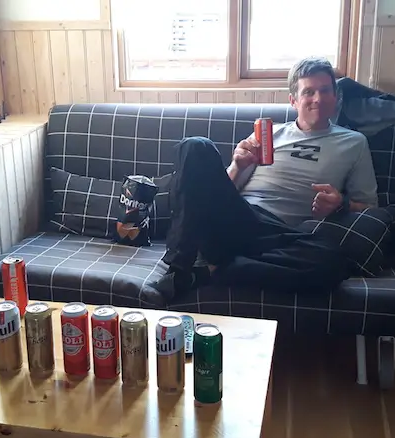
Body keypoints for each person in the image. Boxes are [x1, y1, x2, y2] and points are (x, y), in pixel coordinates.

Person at [150, 56, 379, 299]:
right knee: (195, 146)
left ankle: (210, 272)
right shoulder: (270, 133)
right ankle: (179, 266)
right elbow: (221, 192)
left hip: (281, 235)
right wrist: (238, 166)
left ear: (335, 97)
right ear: (294, 100)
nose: (318, 99)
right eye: (308, 92)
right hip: (238, 217)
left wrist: (341, 204)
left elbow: (370, 207)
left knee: (333, 261)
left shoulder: (354, 143)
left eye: (325, 91)